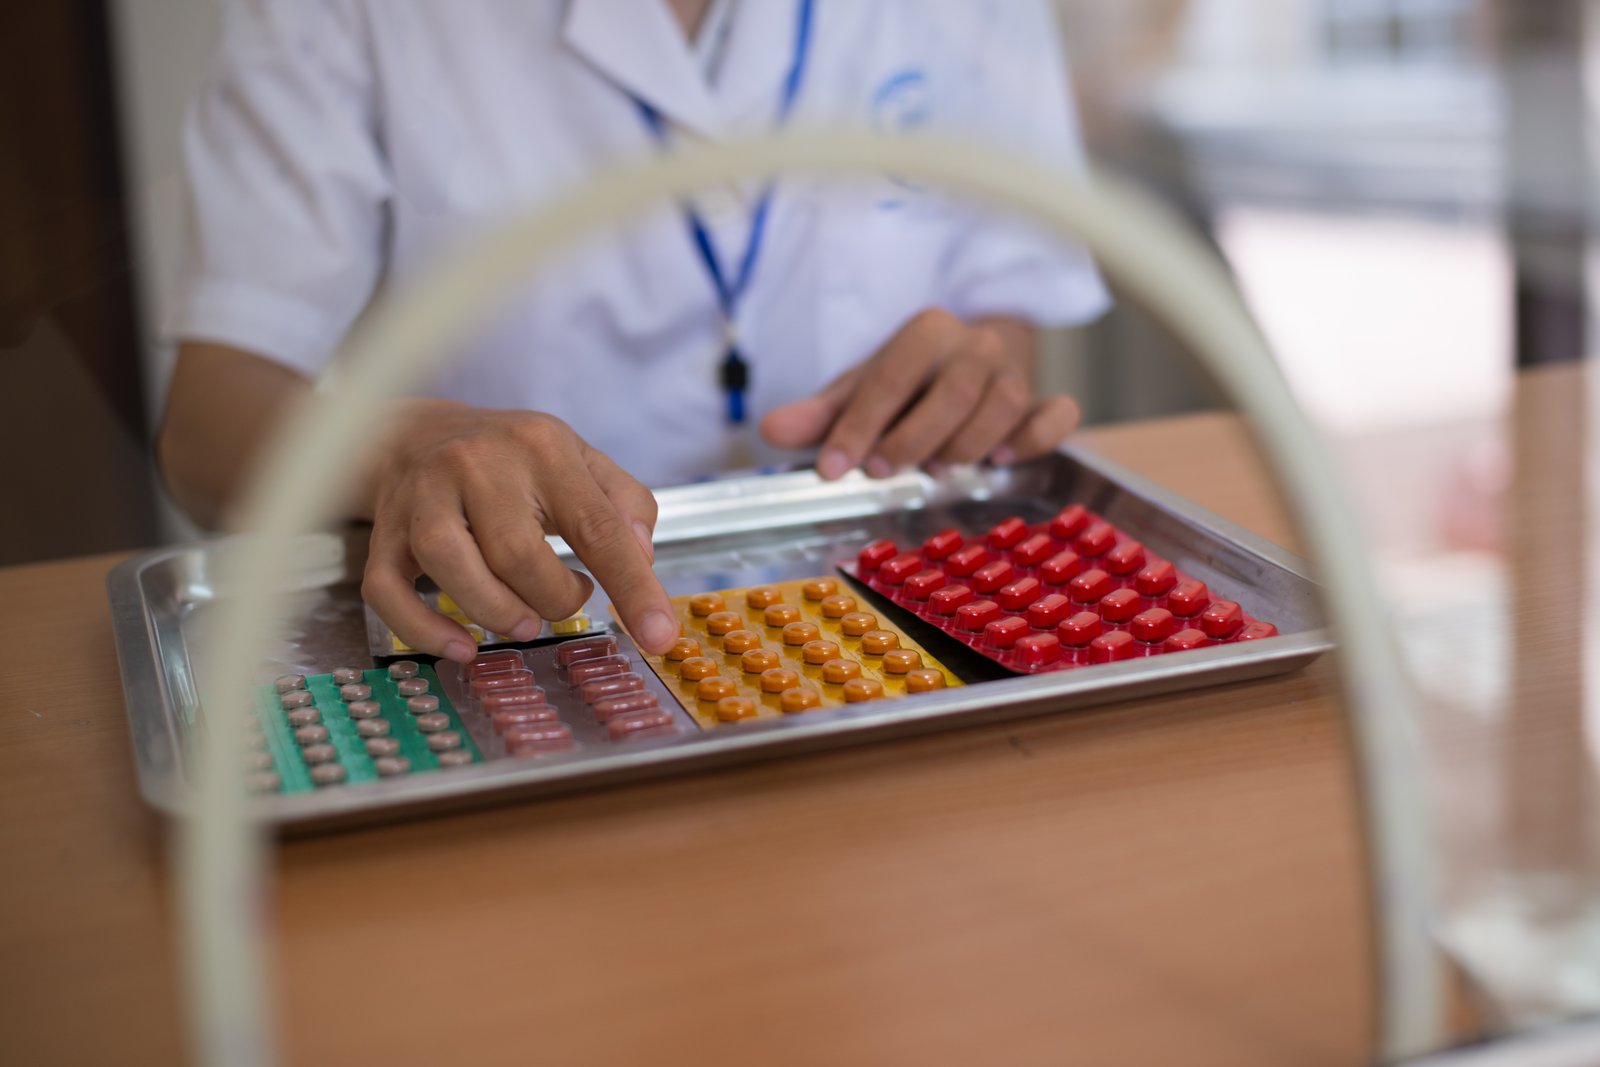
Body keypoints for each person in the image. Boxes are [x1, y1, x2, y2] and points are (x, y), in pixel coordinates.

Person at [157, 0, 1110, 661]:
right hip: (525, 630)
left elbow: (999, 313)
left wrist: (964, 380)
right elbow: (209, 432)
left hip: (889, 614)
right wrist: (401, 445)